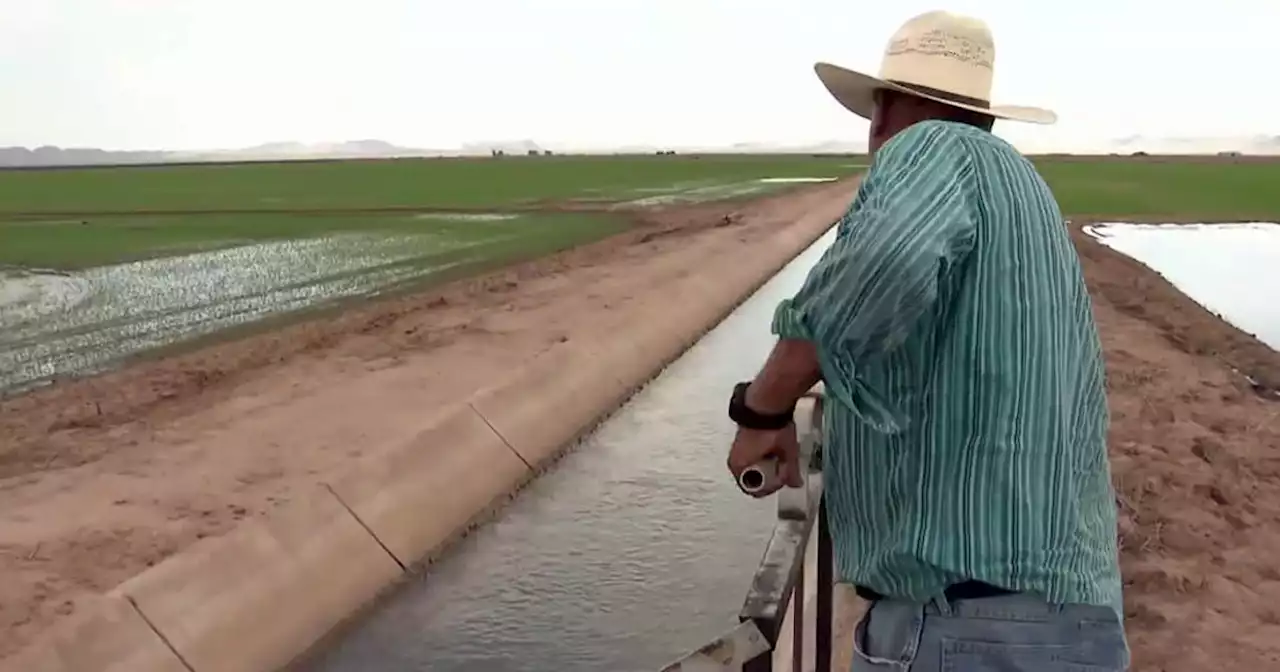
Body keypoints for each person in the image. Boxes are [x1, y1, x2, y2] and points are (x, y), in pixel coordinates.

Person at [723, 10, 1129, 671]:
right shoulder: (1024, 188)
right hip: (1073, 620)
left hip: (967, 628)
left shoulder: (925, 148)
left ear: (882, 113)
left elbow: (874, 271)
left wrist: (761, 409)